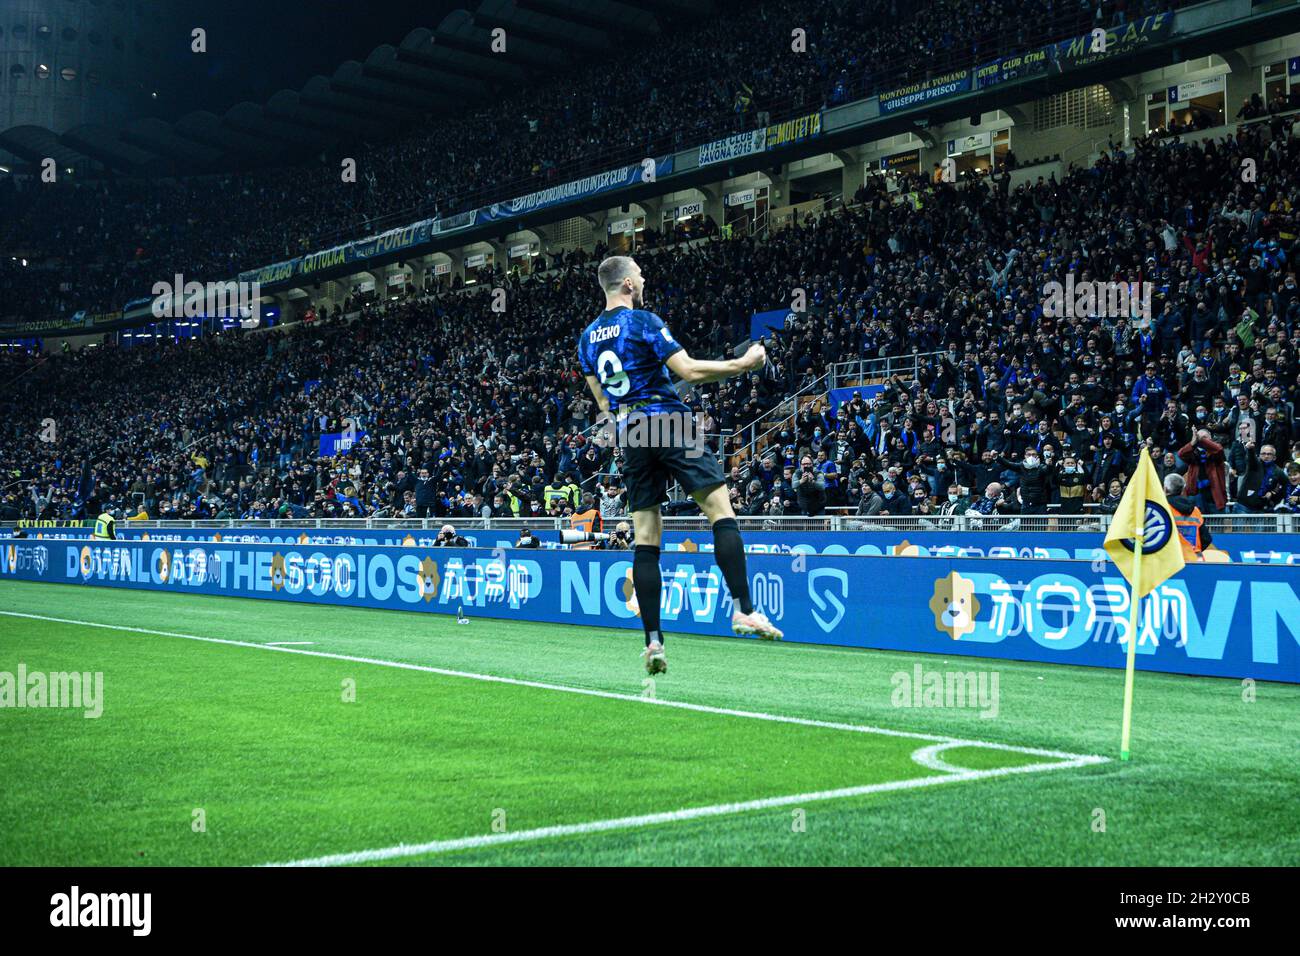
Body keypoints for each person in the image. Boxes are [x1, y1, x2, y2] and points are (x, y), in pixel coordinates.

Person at [578, 255, 780, 675]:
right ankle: (744, 609)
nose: (645, 277)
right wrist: (743, 365)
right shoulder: (643, 321)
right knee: (721, 512)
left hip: (630, 430)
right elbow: (688, 369)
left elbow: (602, 404)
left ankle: (653, 641)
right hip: (666, 421)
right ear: (629, 284)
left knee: (646, 538)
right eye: (640, 272)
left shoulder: (587, 339)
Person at [1164, 473, 1212, 560]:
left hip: (1172, 560)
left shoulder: (1163, 509)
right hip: (1195, 559)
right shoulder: (1195, 510)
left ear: (1165, 489)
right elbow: (1206, 538)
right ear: (1183, 490)